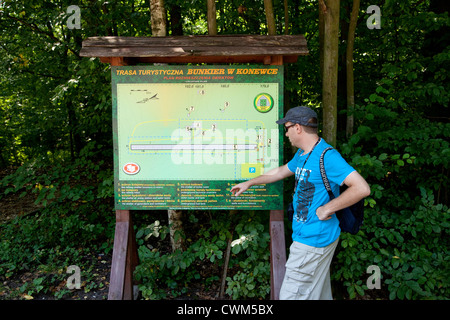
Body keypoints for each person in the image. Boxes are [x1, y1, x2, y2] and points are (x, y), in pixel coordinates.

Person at [230, 106, 370, 300]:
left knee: (290, 296)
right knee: (318, 294)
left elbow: (362, 188)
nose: (286, 133)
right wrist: (250, 182)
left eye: (286, 128)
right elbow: (280, 172)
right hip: (312, 236)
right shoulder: (303, 155)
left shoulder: (327, 156)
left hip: (313, 240)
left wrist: (327, 208)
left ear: (298, 128)